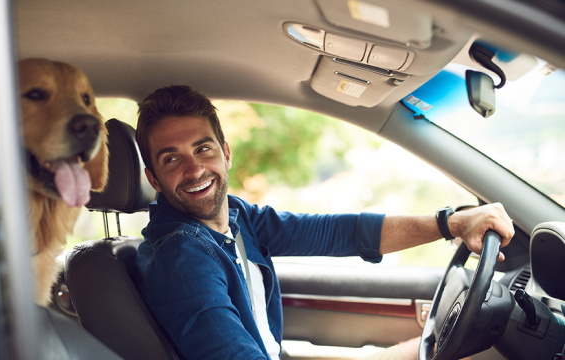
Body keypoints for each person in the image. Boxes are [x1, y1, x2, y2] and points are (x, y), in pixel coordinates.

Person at [134, 85, 515, 360]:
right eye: (171, 159)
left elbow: (337, 231)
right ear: (153, 179)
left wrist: (450, 223)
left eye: (203, 148)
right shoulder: (182, 256)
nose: (195, 168)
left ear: (226, 153)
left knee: (419, 349)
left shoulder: (234, 217)